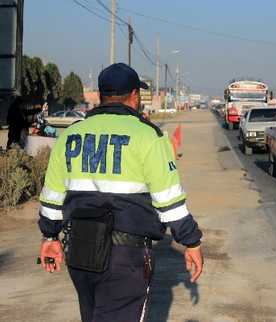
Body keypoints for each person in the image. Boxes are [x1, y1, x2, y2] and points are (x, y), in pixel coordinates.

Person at [37, 63, 204, 322]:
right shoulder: (149, 137)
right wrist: (191, 241)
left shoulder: (71, 135)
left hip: (80, 252)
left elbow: (51, 198)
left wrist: (50, 237)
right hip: (125, 259)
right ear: (134, 96)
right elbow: (169, 201)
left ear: (102, 96)